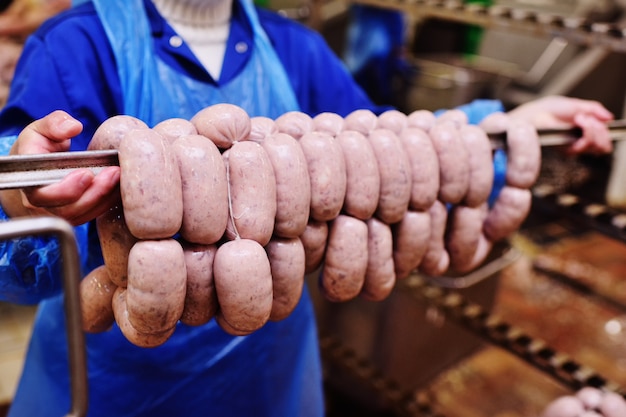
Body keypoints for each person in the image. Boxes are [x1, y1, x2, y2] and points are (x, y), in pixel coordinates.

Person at [0, 0, 615, 416]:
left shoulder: (295, 47)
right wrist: (22, 193)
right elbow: (20, 252)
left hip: (267, 367)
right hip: (120, 379)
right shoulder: (76, 43)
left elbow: (387, 152)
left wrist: (504, 126)